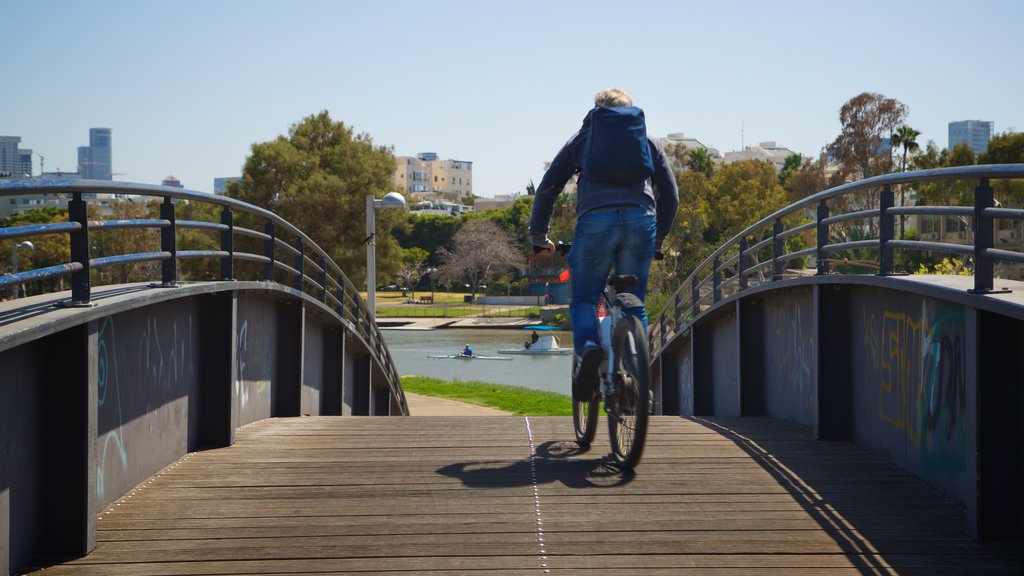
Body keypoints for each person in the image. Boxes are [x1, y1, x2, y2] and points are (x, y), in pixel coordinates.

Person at [529, 88, 679, 402]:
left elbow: (548, 188)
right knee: (633, 299)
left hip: (595, 223)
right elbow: (670, 194)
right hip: (641, 222)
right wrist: (659, 239)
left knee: (584, 296)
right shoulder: (647, 141)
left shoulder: (583, 139)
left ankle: (588, 349)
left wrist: (539, 238)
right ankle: (636, 379)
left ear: (597, 111)